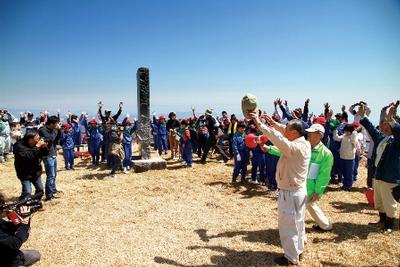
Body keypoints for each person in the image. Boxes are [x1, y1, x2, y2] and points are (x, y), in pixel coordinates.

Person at [251, 111, 310, 266]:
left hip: (290, 193)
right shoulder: (303, 142)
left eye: (288, 129)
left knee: (288, 226)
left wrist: (260, 124)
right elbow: (284, 130)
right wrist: (272, 122)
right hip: (298, 190)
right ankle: (298, 251)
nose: (284, 130)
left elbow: (277, 138)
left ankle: (291, 257)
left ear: (295, 133)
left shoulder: (294, 147)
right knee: (298, 223)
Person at [359, 102, 400, 233]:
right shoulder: (383, 138)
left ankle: (389, 225)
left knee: (389, 202)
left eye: (385, 123)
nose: (382, 124)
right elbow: (371, 129)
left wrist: (391, 119)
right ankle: (382, 220)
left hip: (390, 176)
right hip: (379, 174)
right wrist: (363, 116)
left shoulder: (397, 140)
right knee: (379, 200)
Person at [305, 124, 334, 231]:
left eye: (311, 132)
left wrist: (318, 191)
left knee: (305, 205)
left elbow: (324, 175)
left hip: (311, 187)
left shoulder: (326, 154)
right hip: (302, 183)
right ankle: (326, 225)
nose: (308, 134)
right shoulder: (305, 146)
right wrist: (270, 149)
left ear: (319, 135)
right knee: (310, 205)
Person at [0, 192, 41, 267]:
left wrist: (18, 219)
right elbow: (14, 243)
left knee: (36, 254)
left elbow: (8, 228)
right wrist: (24, 224)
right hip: (6, 262)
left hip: (12, 255)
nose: (3, 209)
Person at [13, 131, 48, 199]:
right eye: (37, 138)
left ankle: (35, 203)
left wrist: (44, 147)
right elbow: (28, 157)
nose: (39, 140)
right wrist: (37, 146)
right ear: (30, 139)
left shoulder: (36, 144)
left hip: (35, 172)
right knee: (27, 192)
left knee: (40, 190)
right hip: (24, 173)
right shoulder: (19, 146)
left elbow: (44, 154)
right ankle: (23, 204)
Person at [38, 116, 61, 201]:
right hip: (47, 155)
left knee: (54, 174)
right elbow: (50, 138)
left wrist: (59, 131)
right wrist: (56, 130)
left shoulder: (53, 130)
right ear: (51, 123)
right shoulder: (42, 130)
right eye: (56, 123)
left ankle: (53, 190)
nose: (57, 125)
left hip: (53, 153)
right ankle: (49, 195)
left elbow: (57, 139)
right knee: (50, 175)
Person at [332, 123, 357, 191]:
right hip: (343, 157)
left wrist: (354, 132)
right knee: (344, 172)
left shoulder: (353, 136)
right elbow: (336, 138)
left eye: (346, 131)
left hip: (350, 158)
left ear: (350, 131)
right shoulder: (344, 136)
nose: (345, 132)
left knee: (349, 173)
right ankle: (345, 185)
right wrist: (335, 130)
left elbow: (354, 141)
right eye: (345, 130)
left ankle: (348, 186)